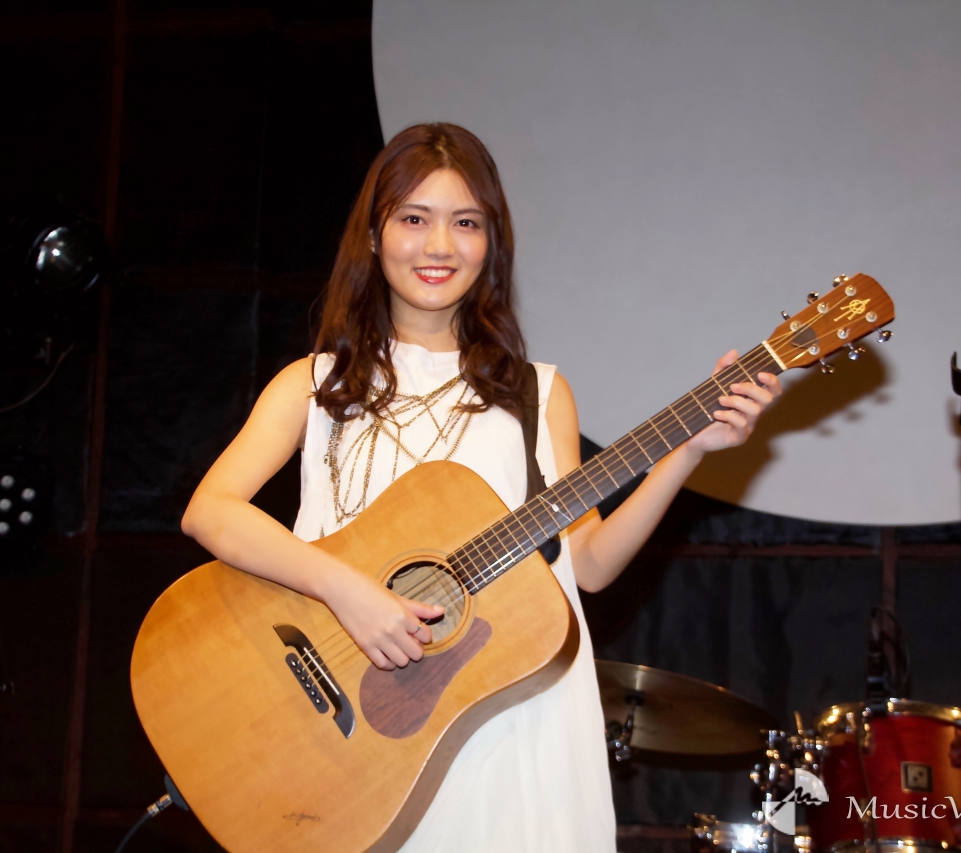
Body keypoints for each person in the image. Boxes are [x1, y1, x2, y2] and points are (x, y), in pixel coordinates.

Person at [181, 123, 782, 852]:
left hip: (510, 720)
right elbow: (211, 511)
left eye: (466, 223)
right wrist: (347, 591)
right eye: (414, 219)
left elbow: (588, 564)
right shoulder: (313, 385)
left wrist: (686, 453)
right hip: (357, 724)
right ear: (372, 235)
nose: (439, 246)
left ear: (492, 242)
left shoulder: (536, 394)